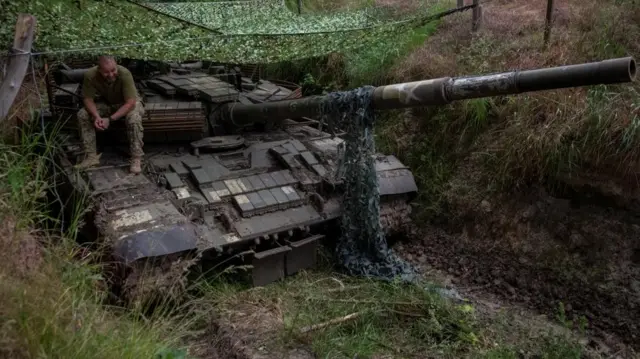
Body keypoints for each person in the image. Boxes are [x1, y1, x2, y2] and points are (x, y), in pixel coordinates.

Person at [75, 55, 145, 174]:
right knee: (82, 114)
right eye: (106, 72)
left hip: (129, 102)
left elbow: (130, 103)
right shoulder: (90, 75)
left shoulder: (125, 73)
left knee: (134, 119)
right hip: (108, 102)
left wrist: (110, 119)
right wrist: (96, 116)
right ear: (99, 70)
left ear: (116, 66)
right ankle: (91, 156)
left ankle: (136, 157)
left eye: (113, 70)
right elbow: (88, 99)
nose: (111, 74)